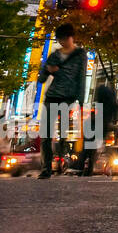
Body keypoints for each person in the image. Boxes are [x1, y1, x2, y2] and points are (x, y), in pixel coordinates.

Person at [37, 23, 85, 178]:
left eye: (63, 39)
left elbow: (81, 78)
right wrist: (48, 70)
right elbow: (42, 78)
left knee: (63, 134)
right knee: (46, 134)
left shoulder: (80, 55)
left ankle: (60, 161)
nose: (61, 43)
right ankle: (46, 169)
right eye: (59, 40)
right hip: (52, 97)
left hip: (68, 98)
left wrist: (81, 101)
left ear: (71, 38)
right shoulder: (55, 55)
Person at [81, 79, 118, 177]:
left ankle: (82, 167)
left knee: (88, 148)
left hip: (96, 126)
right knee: (93, 150)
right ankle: (88, 169)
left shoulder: (100, 106)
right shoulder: (111, 105)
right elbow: (114, 112)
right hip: (102, 127)